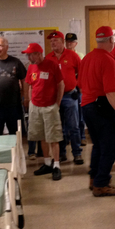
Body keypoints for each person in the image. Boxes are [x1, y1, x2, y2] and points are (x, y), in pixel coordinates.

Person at [78, 26, 115, 197]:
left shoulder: (87, 58)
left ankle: (94, 178)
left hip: (87, 106)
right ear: (112, 40)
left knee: (98, 145)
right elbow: (110, 91)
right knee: (110, 148)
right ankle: (101, 184)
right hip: (102, 107)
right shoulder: (107, 60)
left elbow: (81, 85)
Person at [24, 42, 64, 181]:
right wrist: (30, 103)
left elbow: (60, 85)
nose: (29, 57)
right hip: (35, 106)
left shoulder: (52, 65)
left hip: (50, 106)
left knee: (53, 137)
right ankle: (47, 163)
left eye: (31, 54)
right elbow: (30, 86)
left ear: (38, 54)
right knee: (41, 136)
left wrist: (57, 104)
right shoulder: (31, 67)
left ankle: (57, 165)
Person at [45, 31, 83, 164]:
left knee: (74, 126)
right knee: (58, 127)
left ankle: (77, 153)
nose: (53, 43)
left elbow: (81, 73)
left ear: (62, 42)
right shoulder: (48, 58)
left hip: (69, 96)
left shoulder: (72, 56)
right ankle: (61, 154)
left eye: (55, 41)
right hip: (54, 98)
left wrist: (77, 86)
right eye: (51, 42)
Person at [66, 32, 87, 146]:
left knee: (80, 115)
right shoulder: (63, 55)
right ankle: (69, 137)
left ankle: (82, 136)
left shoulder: (80, 55)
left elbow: (83, 72)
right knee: (68, 116)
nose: (70, 44)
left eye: (72, 42)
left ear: (76, 43)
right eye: (68, 42)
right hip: (68, 89)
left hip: (79, 88)